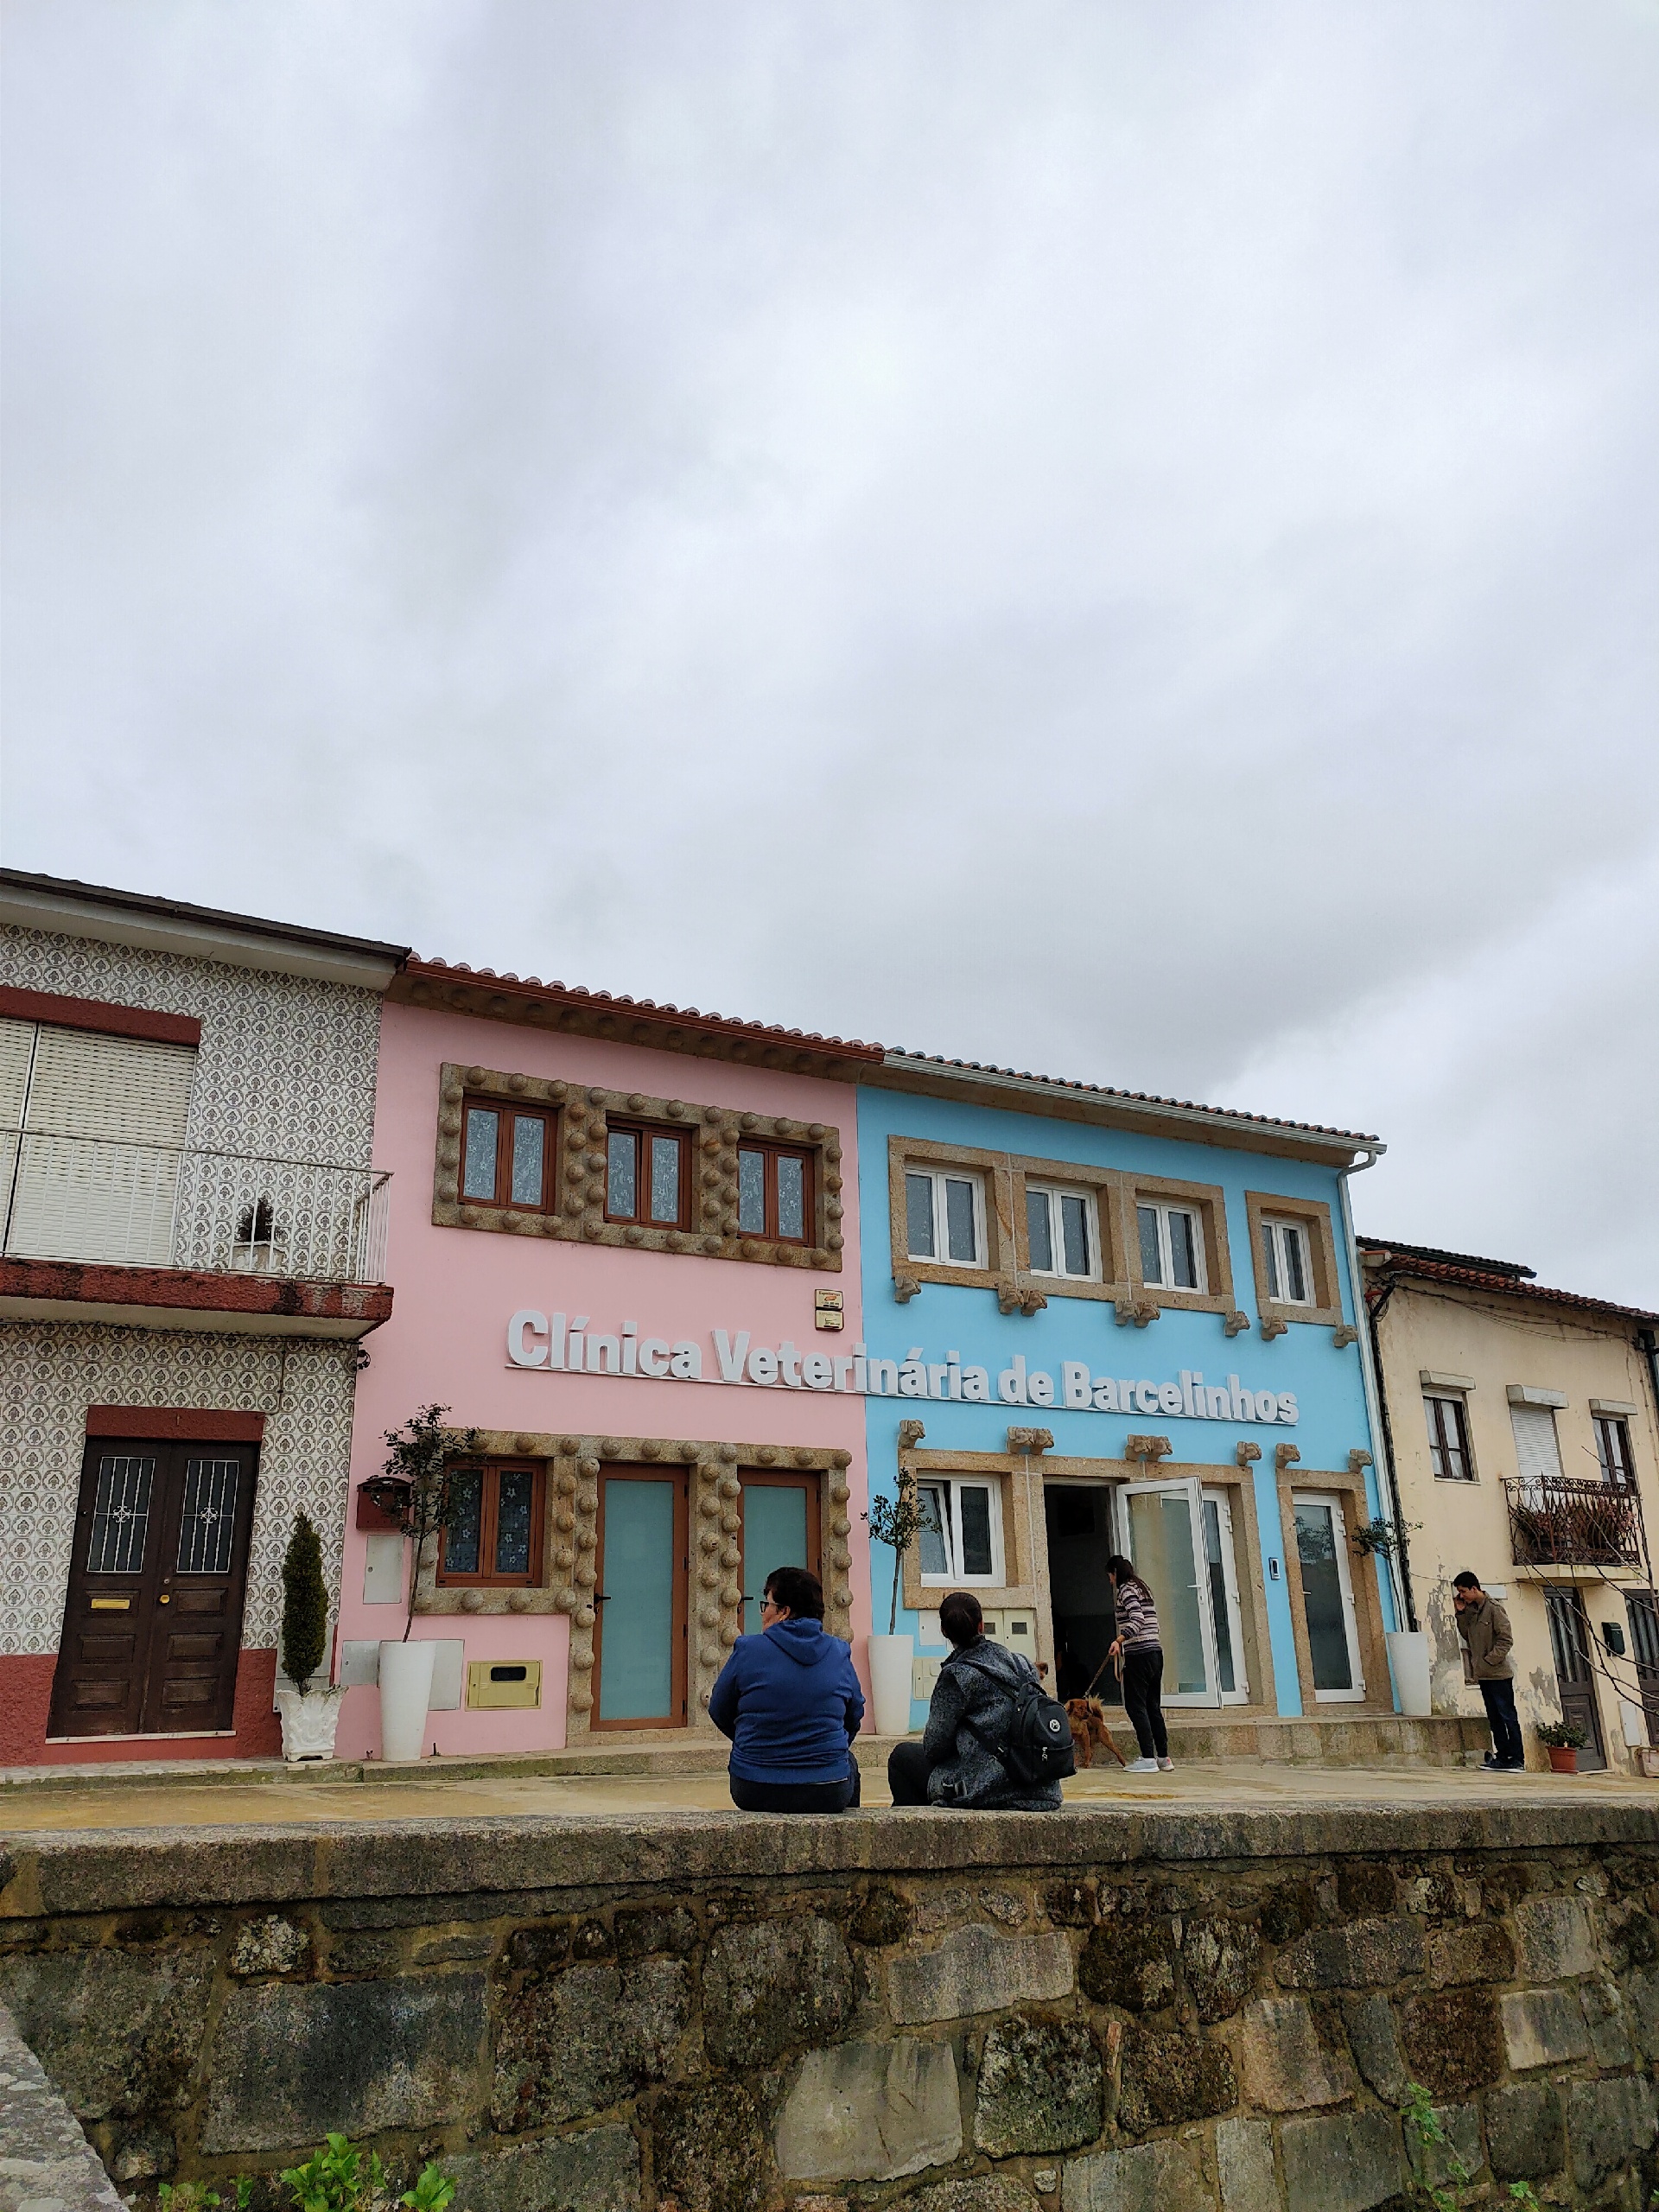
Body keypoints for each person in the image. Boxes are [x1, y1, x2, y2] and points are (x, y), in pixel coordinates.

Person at [887, 1589, 1063, 1811]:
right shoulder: (1022, 1664)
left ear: (944, 1631)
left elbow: (934, 1748)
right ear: (982, 1625)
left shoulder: (956, 1676)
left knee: (902, 1757)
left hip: (991, 1789)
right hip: (1042, 1787)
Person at [709, 1564, 865, 1811]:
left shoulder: (748, 1650)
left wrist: (753, 1742)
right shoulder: (838, 1653)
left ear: (784, 1612)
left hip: (754, 1786)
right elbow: (854, 1715)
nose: (762, 1613)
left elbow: (719, 1708)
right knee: (848, 1764)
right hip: (827, 1788)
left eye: (766, 1604)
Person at [1452, 1570, 1523, 1771]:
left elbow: (1505, 1639)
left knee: (1508, 1716)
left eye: (1464, 1591)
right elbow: (1467, 1635)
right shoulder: (1471, 1611)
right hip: (1483, 1675)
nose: (1462, 1595)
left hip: (1498, 1674)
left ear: (1475, 1588)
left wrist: (1489, 1660)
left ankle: (1517, 1759)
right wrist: (1460, 1613)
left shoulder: (1494, 1609)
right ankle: (1501, 1757)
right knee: (1494, 1718)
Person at [1108, 1554, 1172, 1773]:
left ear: (1115, 1573)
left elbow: (1137, 1619)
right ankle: (1163, 1757)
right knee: (1153, 1706)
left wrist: (1119, 1640)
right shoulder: (1142, 1588)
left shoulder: (1126, 1590)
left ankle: (1147, 1758)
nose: (1110, 1581)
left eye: (1110, 1576)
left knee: (1135, 1706)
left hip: (1140, 1655)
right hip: (1155, 1652)